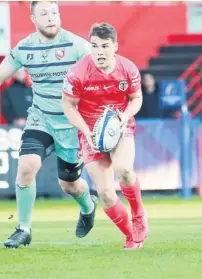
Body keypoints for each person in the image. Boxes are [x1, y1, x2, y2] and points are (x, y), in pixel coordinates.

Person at [0, 1, 98, 249]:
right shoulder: (25, 48)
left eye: (55, 12)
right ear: (33, 19)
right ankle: (23, 229)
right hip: (41, 117)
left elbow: (102, 73)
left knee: (69, 185)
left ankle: (88, 208)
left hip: (72, 123)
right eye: (44, 13)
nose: (51, 17)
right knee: (26, 166)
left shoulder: (77, 46)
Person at [62, 23, 147, 250]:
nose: (99, 52)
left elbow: (136, 98)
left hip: (119, 125)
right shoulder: (77, 73)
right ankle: (130, 235)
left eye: (105, 46)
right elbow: (69, 107)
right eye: (95, 46)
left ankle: (138, 214)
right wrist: (86, 132)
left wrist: (124, 116)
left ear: (115, 47)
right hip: (90, 131)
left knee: (124, 169)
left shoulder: (128, 69)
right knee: (106, 194)